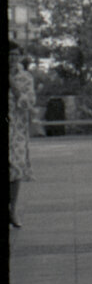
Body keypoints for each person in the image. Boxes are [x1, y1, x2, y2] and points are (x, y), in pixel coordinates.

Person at [10, 41, 34, 229]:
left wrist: (15, 88)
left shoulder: (25, 78)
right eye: (9, 54)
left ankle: (13, 210)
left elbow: (29, 103)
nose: (12, 58)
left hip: (16, 130)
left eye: (15, 54)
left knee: (16, 169)